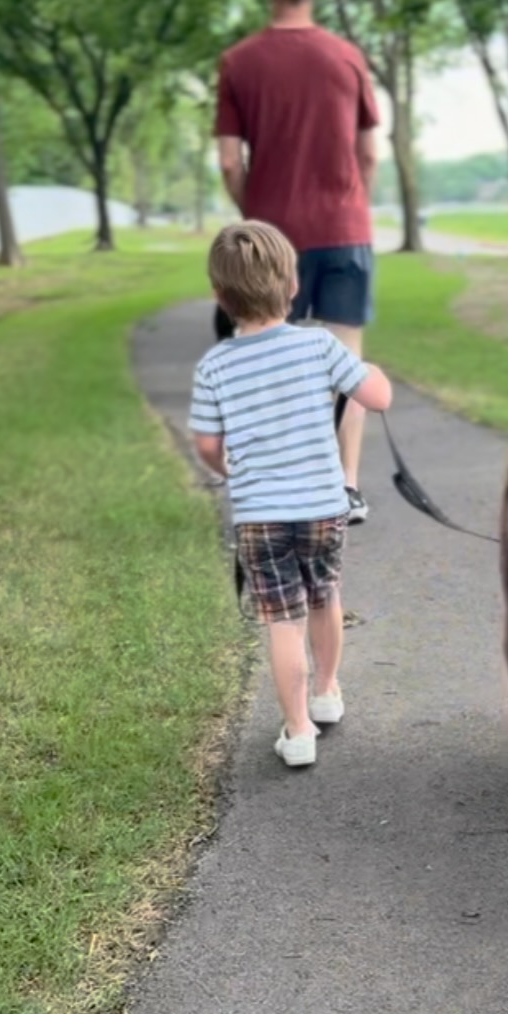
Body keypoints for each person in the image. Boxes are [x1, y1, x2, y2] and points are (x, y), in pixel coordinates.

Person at [190, 220, 392, 769]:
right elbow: (374, 396)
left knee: (283, 620)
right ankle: (327, 692)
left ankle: (298, 730)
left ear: (219, 296)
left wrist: (223, 465)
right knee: (325, 596)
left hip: (261, 517)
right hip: (323, 509)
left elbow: (207, 442)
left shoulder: (215, 366)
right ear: (293, 285)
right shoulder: (320, 345)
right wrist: (373, 373)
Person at [214, 0, 380, 522]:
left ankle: (263, 489)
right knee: (346, 363)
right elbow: (368, 154)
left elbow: (230, 161)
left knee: (257, 359)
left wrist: (251, 214)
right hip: (342, 228)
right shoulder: (347, 57)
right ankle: (346, 489)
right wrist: (355, 207)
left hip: (269, 235)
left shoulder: (238, 62)